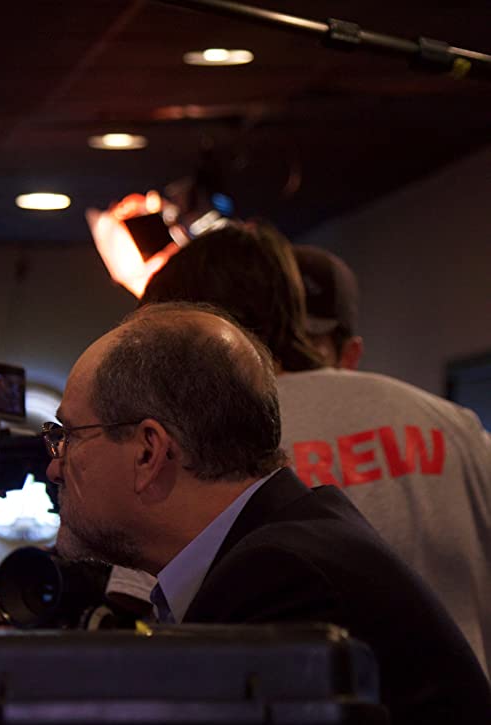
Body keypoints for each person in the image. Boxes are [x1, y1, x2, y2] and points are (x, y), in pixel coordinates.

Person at [47, 300, 491, 725]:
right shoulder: (288, 539)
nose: (53, 466)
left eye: (67, 436)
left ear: (148, 451)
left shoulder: (279, 577)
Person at [139, 225, 491, 673]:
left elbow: (139, 620)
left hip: (285, 709)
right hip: (456, 711)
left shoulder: (207, 439)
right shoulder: (455, 424)